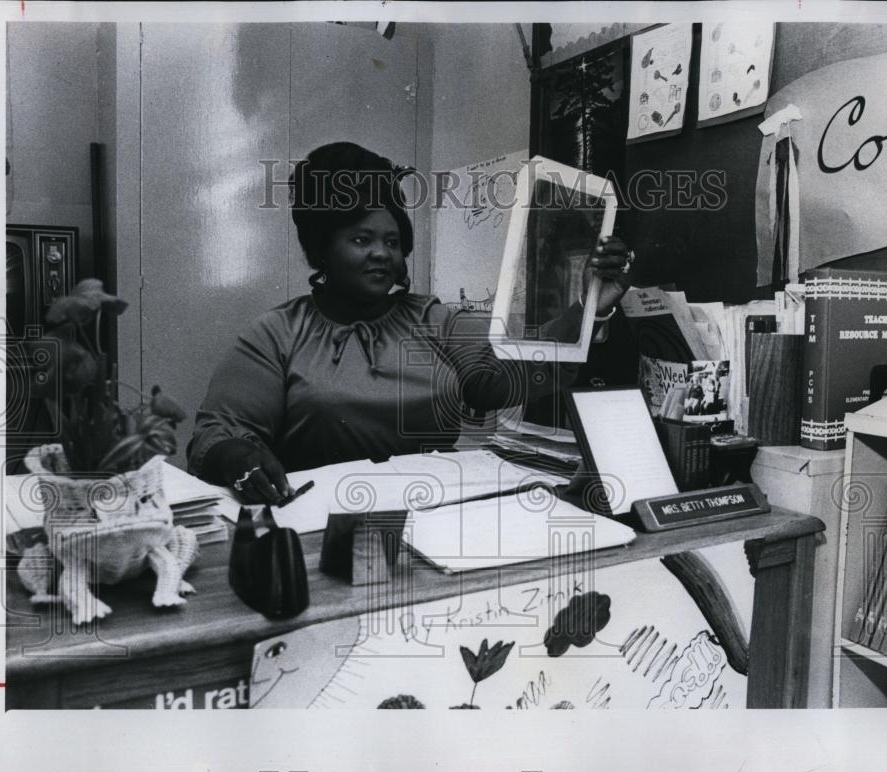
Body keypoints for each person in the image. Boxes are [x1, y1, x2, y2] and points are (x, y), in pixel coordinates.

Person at [187, 142, 632, 503]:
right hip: (319, 527)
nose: (381, 253)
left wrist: (590, 304)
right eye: (361, 239)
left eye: (392, 241)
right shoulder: (277, 333)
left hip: (436, 514)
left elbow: (510, 373)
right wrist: (236, 455)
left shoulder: (432, 320)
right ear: (321, 250)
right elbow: (216, 433)